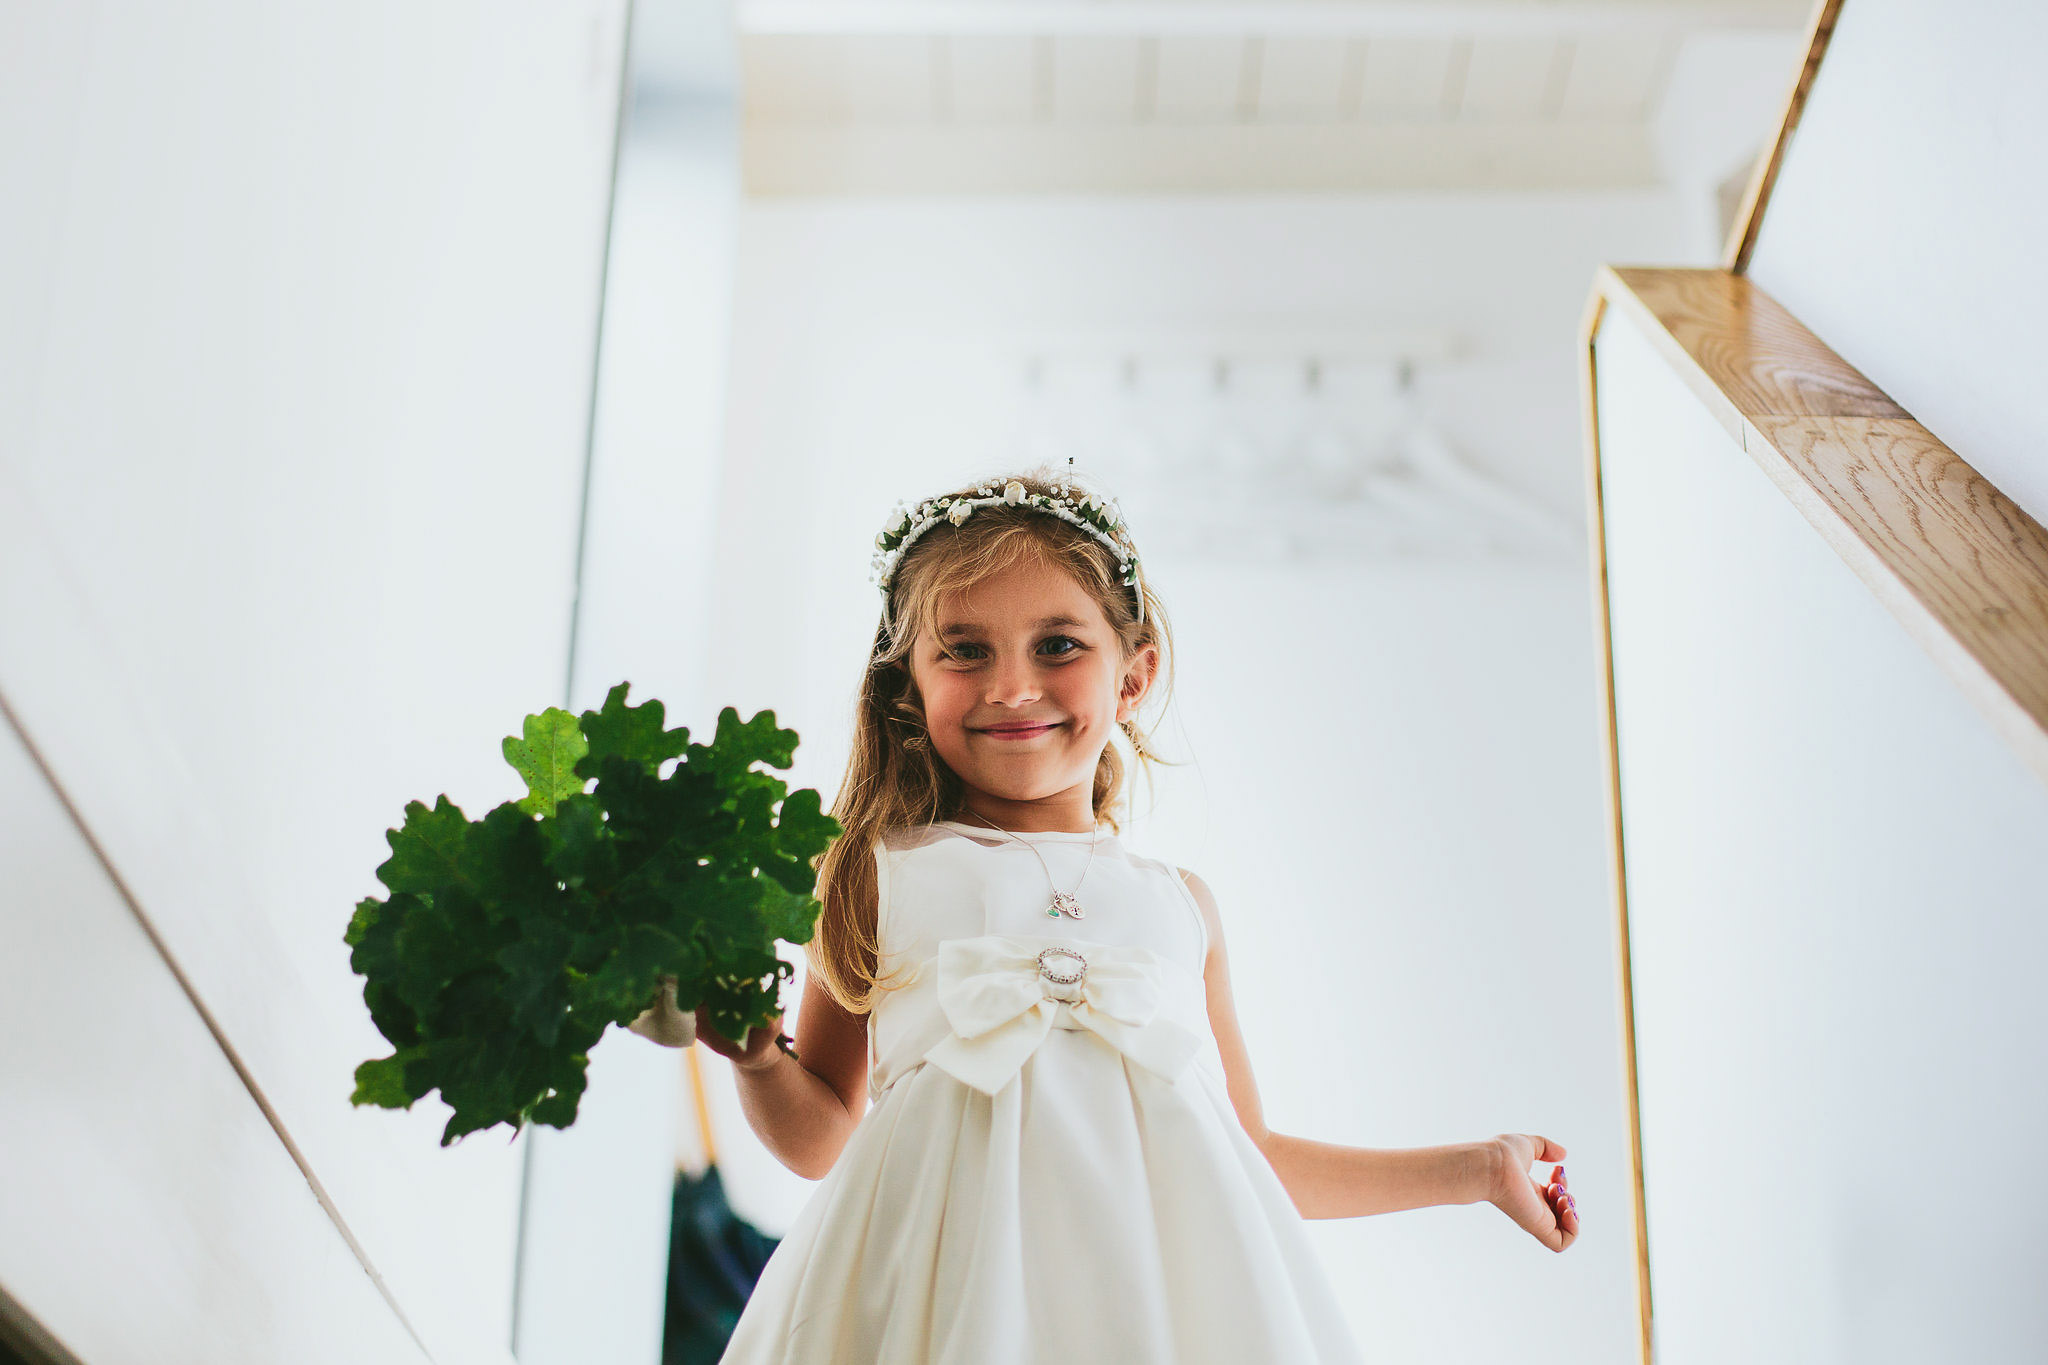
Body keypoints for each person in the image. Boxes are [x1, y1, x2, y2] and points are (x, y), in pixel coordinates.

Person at [694, 465, 1580, 1363]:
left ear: (1133, 675)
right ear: (908, 686)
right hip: (934, 1310)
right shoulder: (874, 876)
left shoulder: (1181, 907)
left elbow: (1253, 1159)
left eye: (1058, 646)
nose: (1010, 687)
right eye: (963, 650)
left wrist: (1478, 1170)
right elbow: (819, 1141)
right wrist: (760, 1058)